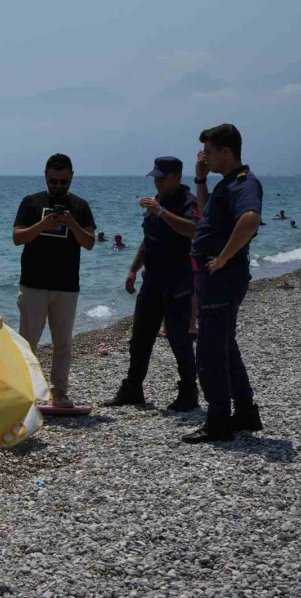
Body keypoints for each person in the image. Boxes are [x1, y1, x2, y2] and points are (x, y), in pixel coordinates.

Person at [183, 124, 264, 444]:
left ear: (226, 152)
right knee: (225, 345)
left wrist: (224, 257)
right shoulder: (226, 184)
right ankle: (245, 412)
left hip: (222, 276)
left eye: (210, 151)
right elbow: (204, 214)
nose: (205, 156)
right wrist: (201, 179)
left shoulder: (245, 183)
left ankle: (218, 420)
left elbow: (250, 218)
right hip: (215, 275)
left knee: (210, 350)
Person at [105, 157, 199, 411]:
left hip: (177, 279)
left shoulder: (188, 202)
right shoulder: (155, 204)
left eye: (162, 177)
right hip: (152, 278)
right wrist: (133, 269)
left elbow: (193, 230)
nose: (157, 181)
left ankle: (189, 392)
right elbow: (149, 240)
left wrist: (162, 212)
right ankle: (133, 388)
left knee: (178, 337)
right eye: (155, 177)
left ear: (177, 177)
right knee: (140, 337)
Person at [12, 153, 96, 408]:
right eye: (53, 182)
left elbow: (89, 243)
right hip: (33, 284)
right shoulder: (31, 202)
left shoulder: (80, 206)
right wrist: (42, 225)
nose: (58, 187)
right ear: (45, 177)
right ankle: (25, 391)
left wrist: (72, 223)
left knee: (63, 344)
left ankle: (59, 391)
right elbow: (17, 238)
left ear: (72, 177)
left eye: (63, 182)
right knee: (27, 343)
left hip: (67, 286)